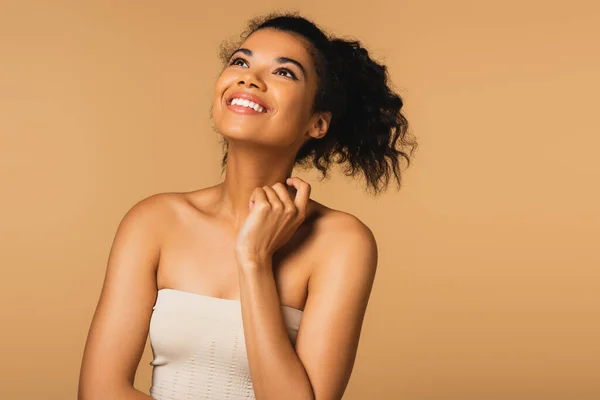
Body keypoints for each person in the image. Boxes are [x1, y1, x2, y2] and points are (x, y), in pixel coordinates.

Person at [78, 11, 417, 400]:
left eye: (284, 72)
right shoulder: (154, 221)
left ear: (317, 124)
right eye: (241, 61)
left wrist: (254, 261)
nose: (248, 78)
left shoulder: (340, 242)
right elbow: (99, 391)